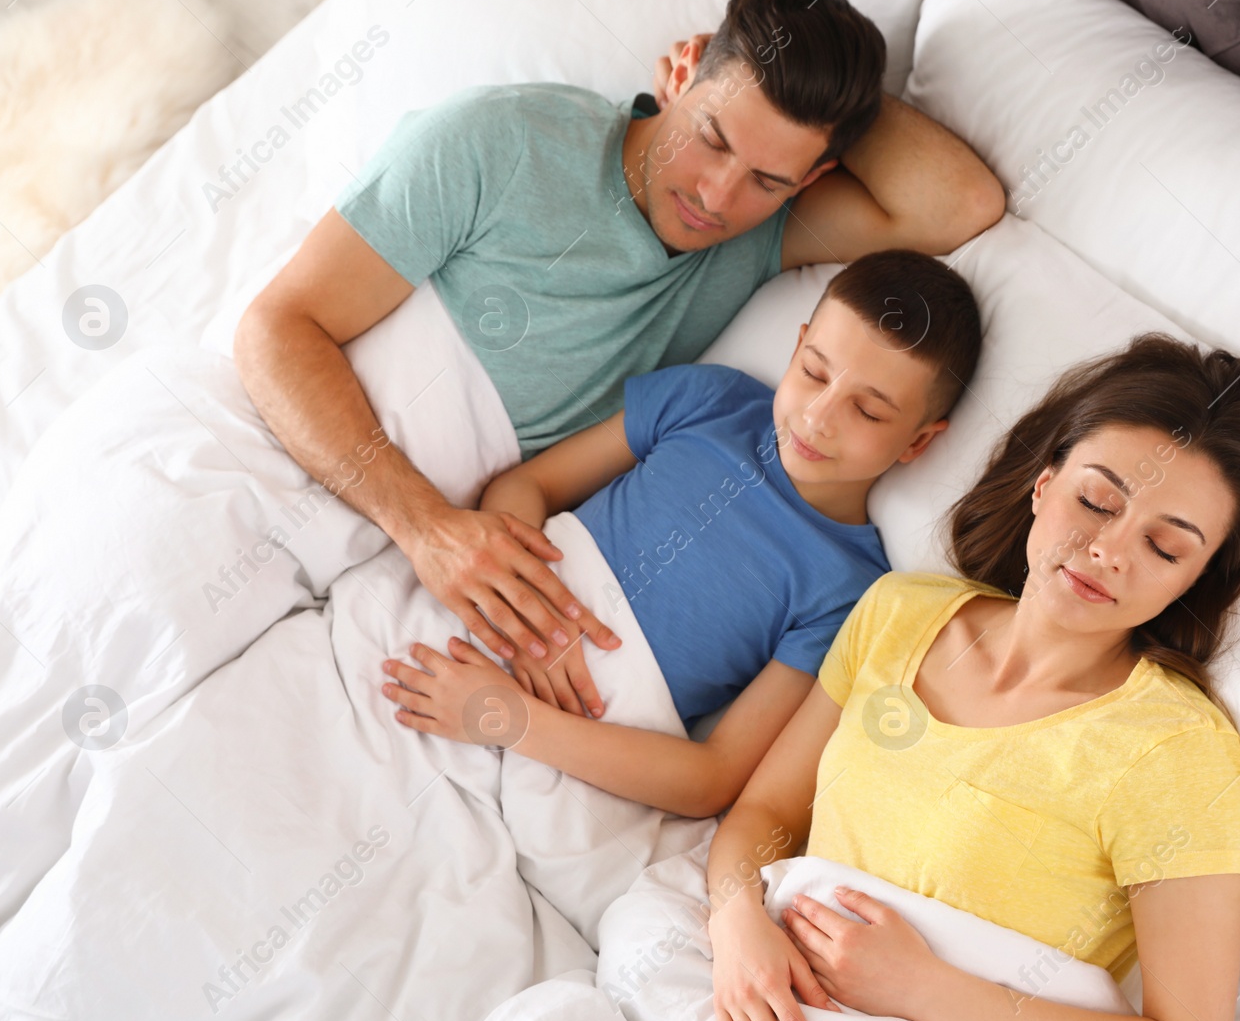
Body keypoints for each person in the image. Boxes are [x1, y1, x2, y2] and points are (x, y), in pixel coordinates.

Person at [233, 0, 1006, 702]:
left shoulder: (756, 238)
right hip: (266, 454)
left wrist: (837, 102)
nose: (718, 197)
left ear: (813, 179)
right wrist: (424, 527)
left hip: (412, 565)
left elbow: (962, 203)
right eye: (712, 137)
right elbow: (276, 331)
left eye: (770, 178)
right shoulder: (501, 139)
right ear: (679, 75)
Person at [702, 334, 1240, 1021]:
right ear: (1044, 483)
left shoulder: (1175, 750)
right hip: (757, 987)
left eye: (1165, 547)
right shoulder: (899, 610)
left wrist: (924, 987)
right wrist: (737, 927)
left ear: (1196, 578)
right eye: (1096, 500)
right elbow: (766, 811)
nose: (1109, 550)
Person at [375, 250, 982, 818]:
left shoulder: (851, 591)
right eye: (814, 372)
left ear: (920, 440)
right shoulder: (711, 401)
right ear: (797, 345)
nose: (818, 418)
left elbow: (713, 779)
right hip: (485, 622)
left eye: (868, 411)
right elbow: (524, 489)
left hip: (578, 738)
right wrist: (537, 622)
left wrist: (511, 718)